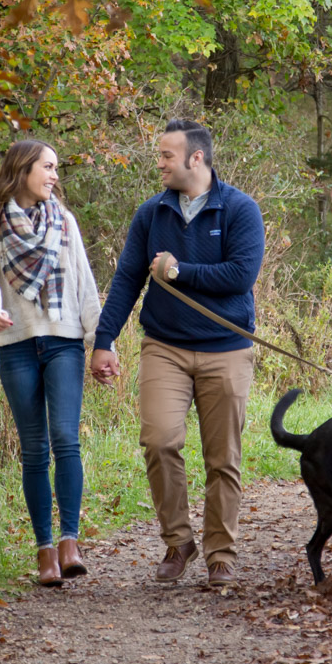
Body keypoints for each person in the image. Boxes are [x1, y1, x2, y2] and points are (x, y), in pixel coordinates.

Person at [90, 118, 265, 586]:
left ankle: (220, 554)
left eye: (167, 155)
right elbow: (128, 279)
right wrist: (103, 341)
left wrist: (178, 271)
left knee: (222, 457)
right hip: (164, 347)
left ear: (196, 158)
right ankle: (178, 540)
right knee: (160, 441)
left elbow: (239, 277)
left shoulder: (240, 210)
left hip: (227, 349)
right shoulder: (152, 213)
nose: (160, 163)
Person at [0, 139, 104, 587]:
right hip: (16, 344)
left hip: (64, 341)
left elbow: (85, 283)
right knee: (34, 451)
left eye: (56, 168)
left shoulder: (63, 221)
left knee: (66, 439)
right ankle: (45, 550)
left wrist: (100, 340)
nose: (54, 176)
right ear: (23, 168)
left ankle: (70, 542)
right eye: (47, 167)